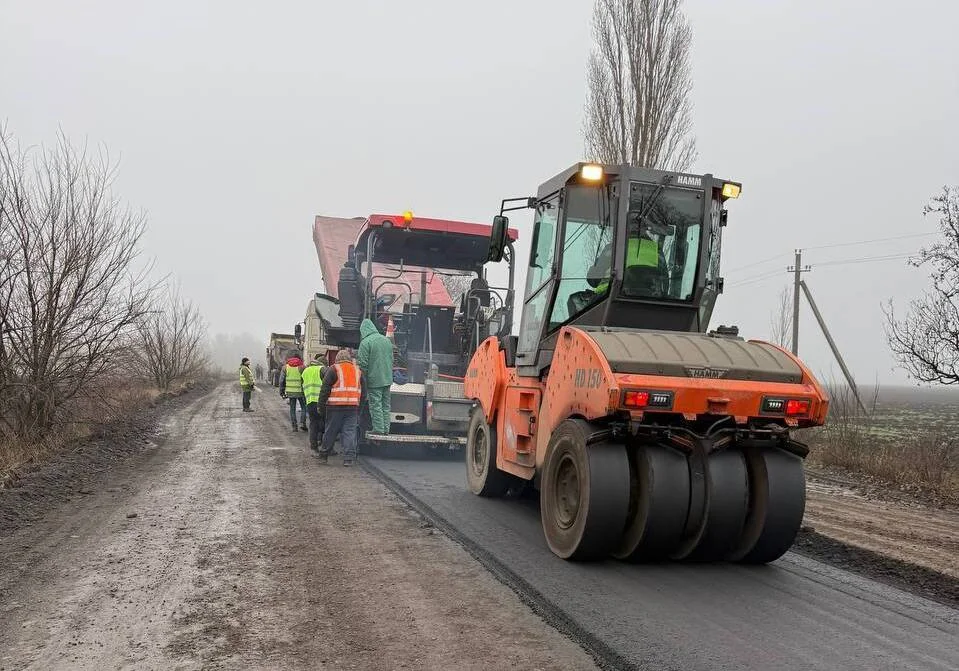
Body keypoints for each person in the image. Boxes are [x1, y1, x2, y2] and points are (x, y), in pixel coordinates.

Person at [318, 349, 362, 466]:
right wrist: (360, 408)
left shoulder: (334, 369)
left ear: (337, 358)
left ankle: (324, 456)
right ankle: (348, 459)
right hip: (352, 408)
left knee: (330, 431)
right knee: (349, 432)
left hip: (335, 407)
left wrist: (321, 406)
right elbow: (364, 391)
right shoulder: (357, 371)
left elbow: (325, 389)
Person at [357, 318, 394, 435]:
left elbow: (363, 365)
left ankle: (378, 429)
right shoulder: (386, 341)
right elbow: (392, 359)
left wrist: (363, 382)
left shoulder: (365, 343)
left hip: (374, 380)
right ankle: (386, 429)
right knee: (386, 405)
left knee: (376, 405)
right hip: (387, 379)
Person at [301, 353, 327, 456]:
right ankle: (324, 445)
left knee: (313, 423)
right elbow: (328, 385)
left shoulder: (306, 371)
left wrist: (305, 400)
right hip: (321, 401)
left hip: (309, 401)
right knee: (325, 424)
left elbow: (302, 386)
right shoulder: (323, 370)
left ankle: (313, 446)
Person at [279, 354, 307, 431]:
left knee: (292, 409)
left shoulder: (285, 367)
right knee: (304, 407)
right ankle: (302, 423)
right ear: (299, 359)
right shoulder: (302, 367)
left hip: (290, 391)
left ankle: (294, 426)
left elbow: (281, 381)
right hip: (301, 391)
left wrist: (281, 391)